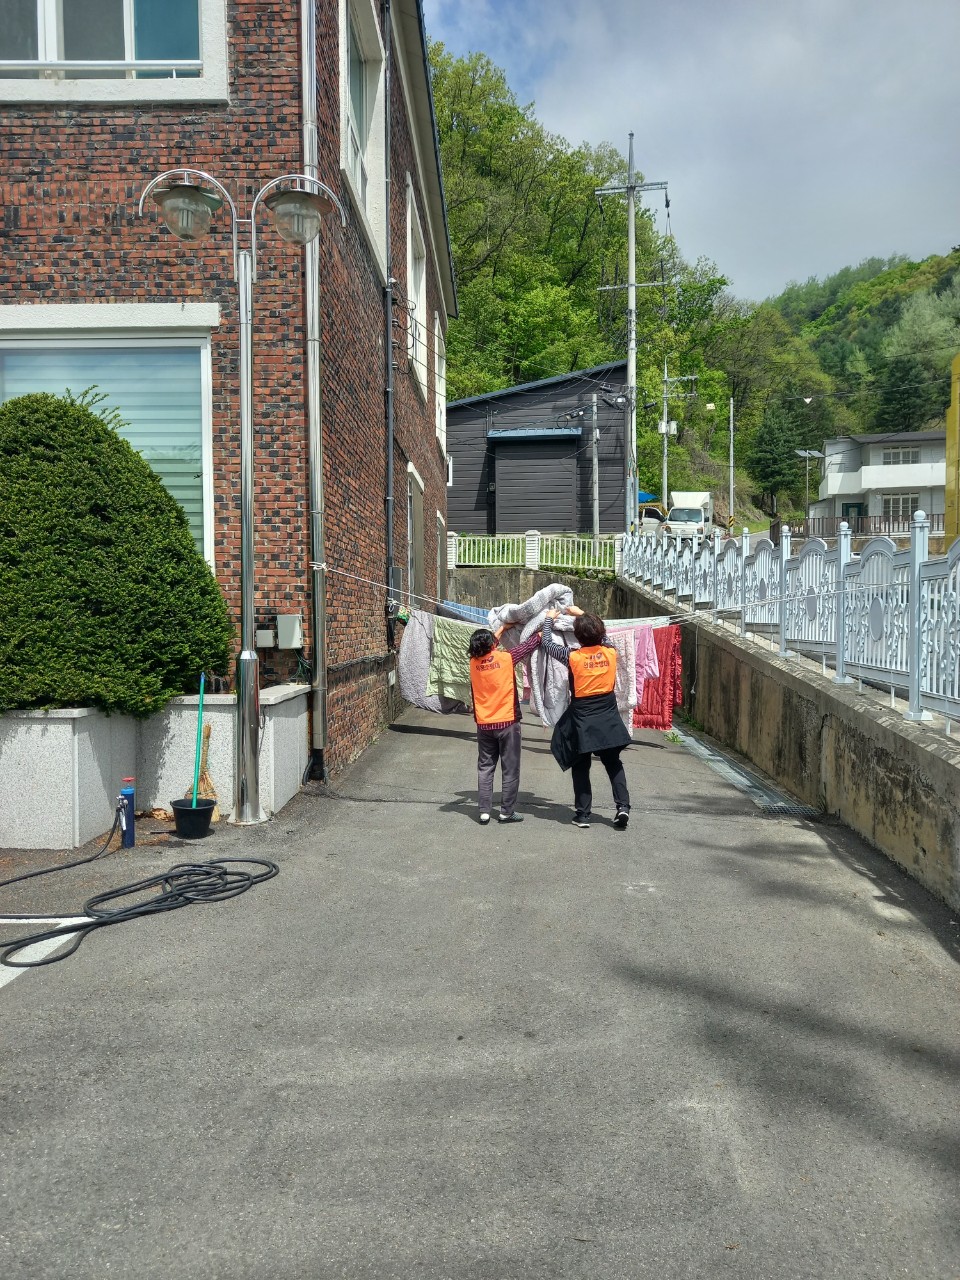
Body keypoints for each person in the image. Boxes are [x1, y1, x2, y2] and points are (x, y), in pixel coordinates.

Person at [542, 606, 631, 829]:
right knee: (613, 763)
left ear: (577, 637)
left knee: (581, 765)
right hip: (608, 715)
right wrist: (581, 613)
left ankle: (583, 815)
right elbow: (604, 634)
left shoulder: (572, 656)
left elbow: (547, 643)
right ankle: (623, 807)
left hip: (583, 718)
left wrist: (548, 620)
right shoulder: (610, 651)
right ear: (600, 633)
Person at [468, 621, 543, 825]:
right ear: (492, 645)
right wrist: (542, 629)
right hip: (508, 723)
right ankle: (506, 812)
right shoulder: (507, 658)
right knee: (510, 768)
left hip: (484, 724)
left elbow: (489, 644)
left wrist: (502, 628)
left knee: (485, 767)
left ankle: (484, 811)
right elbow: (529, 645)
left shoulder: (473, 663)